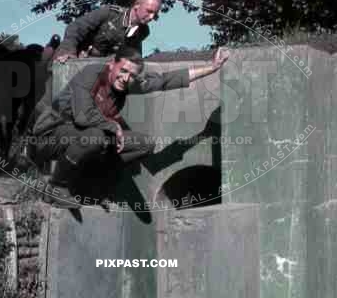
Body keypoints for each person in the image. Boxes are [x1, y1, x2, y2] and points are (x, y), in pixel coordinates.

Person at [32, 45, 231, 208]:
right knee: (96, 137)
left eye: (131, 74)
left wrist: (212, 67)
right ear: (112, 65)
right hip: (49, 137)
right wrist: (113, 127)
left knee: (143, 144)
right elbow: (83, 115)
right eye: (123, 70)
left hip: (84, 137)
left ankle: (91, 188)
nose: (126, 78)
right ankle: (56, 187)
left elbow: (164, 81)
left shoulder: (126, 83)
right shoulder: (92, 73)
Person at [53, 0, 162, 63]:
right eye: (149, 11)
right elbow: (75, 28)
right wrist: (68, 52)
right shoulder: (110, 13)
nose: (152, 17)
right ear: (137, 6)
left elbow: (129, 56)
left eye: (155, 14)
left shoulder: (143, 32)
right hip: (76, 55)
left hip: (100, 68)